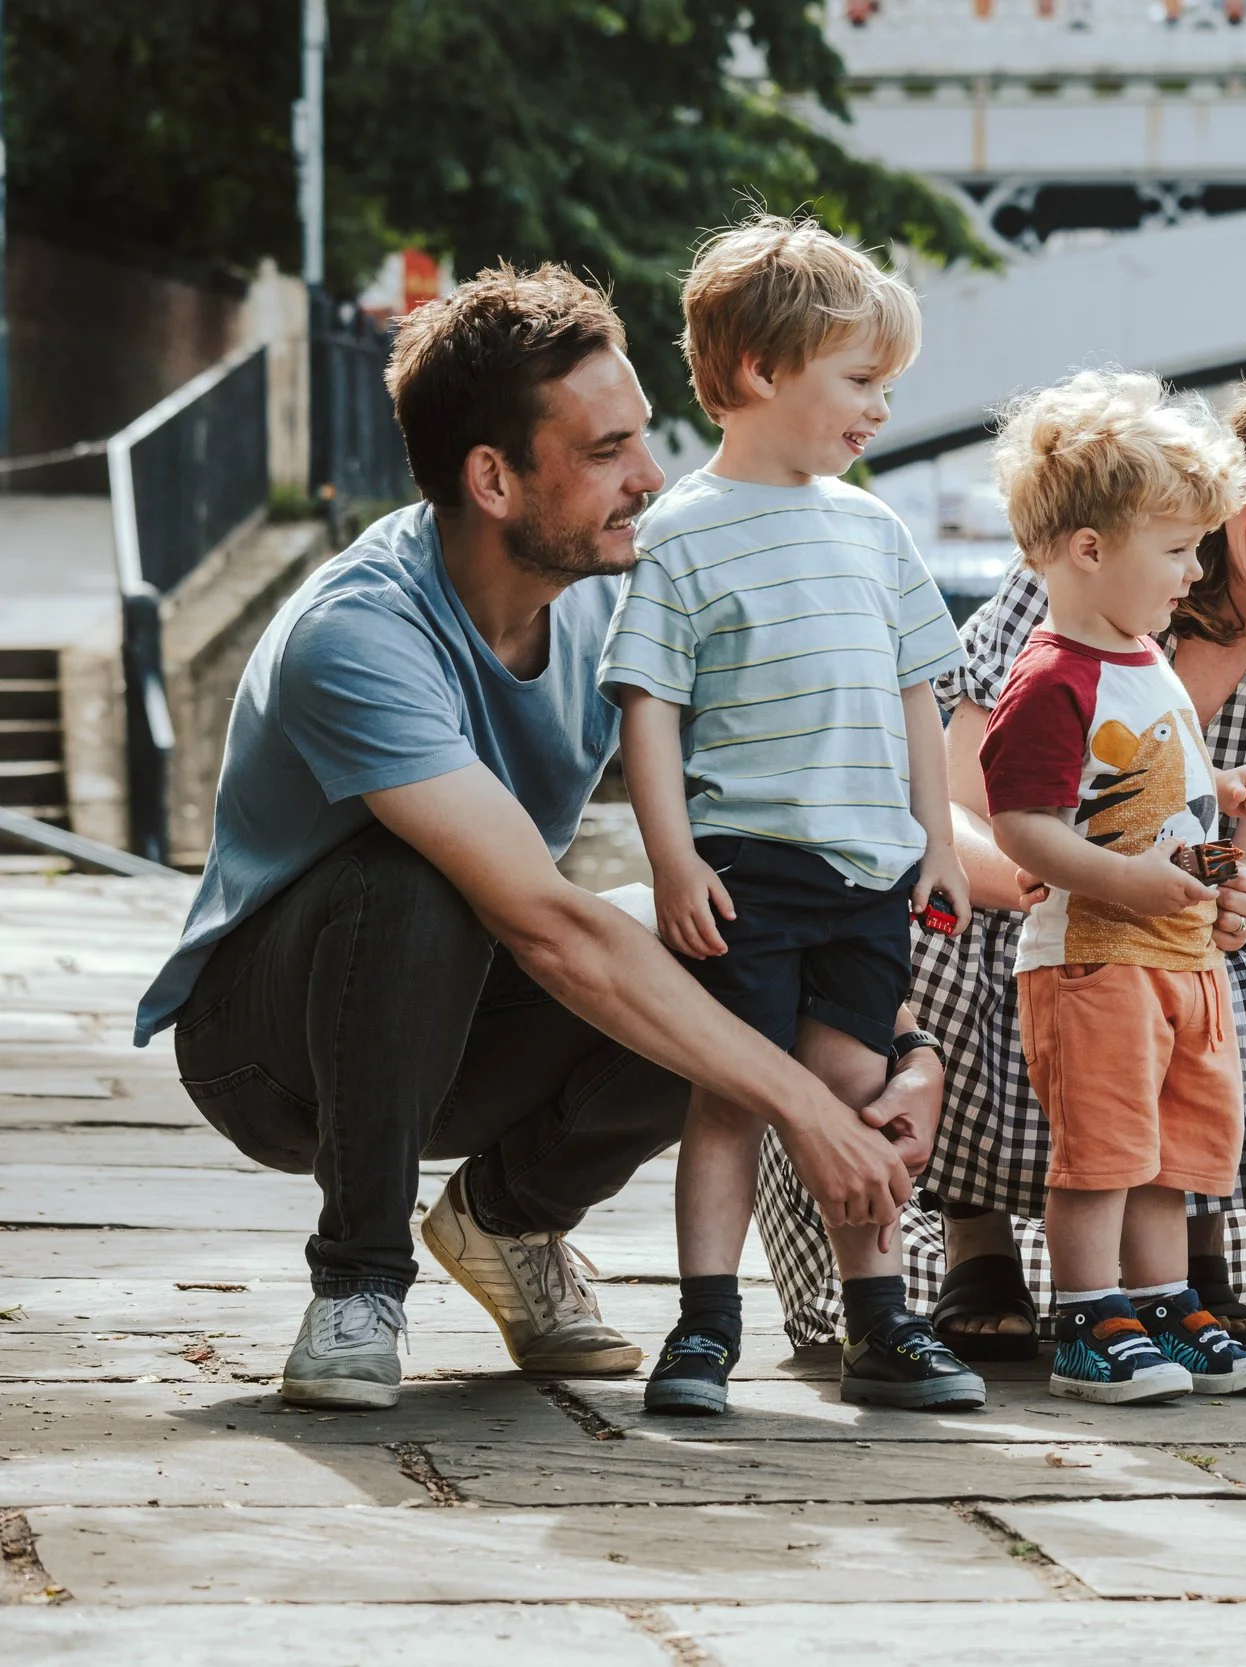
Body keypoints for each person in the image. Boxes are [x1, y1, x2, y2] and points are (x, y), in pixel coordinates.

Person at [133, 263, 932, 1411]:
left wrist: (902, 1042)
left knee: (711, 944)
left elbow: (794, 833)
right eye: (607, 451)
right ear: (494, 478)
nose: (651, 477)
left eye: (643, 440)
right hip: (270, 1053)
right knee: (409, 878)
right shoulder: (356, 636)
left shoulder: (619, 593)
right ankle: (359, 1283)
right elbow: (545, 925)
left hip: (462, 1022)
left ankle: (507, 1220)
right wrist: (810, 1113)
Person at [753, 346, 1246, 1359]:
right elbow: (958, 799)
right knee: (947, 944)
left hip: (1180, 916)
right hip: (1022, 877)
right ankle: (976, 1239)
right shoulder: (1088, 564)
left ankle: (1189, 1253)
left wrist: (1240, 901)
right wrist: (1031, 871)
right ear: (1232, 472)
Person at [603, 214, 981, 1417]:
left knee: (854, 1085)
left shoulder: (875, 530)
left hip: (872, 869)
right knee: (729, 1094)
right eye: (861, 381)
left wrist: (936, 836)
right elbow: (649, 711)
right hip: (746, 865)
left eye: (887, 385)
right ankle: (705, 1323)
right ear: (761, 373)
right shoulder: (677, 536)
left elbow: (921, 694)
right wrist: (670, 859)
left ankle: (880, 1320)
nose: (879, 409)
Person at [977, 371, 1246, 1402]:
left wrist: (1223, 786)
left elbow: (1161, 786)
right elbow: (1020, 824)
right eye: (1176, 548)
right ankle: (1084, 1315)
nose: (1195, 570)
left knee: (1173, 1147)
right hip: (1093, 954)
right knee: (1103, 1147)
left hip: (1180, 953)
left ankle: (1159, 1300)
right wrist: (1122, 880)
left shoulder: (1143, 656)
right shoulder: (1051, 677)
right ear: (1089, 550)